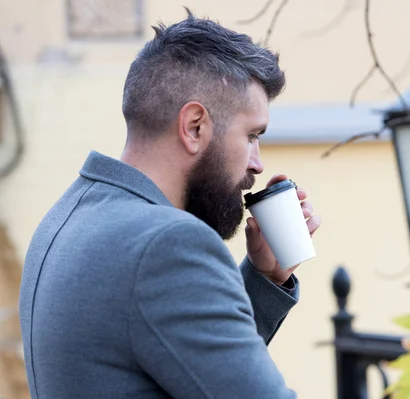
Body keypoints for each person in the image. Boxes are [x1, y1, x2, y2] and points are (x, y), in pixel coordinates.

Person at [18, 8, 320, 399]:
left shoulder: (65, 218)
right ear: (195, 126)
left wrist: (265, 280)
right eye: (251, 136)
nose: (257, 163)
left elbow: (179, 356)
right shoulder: (169, 244)